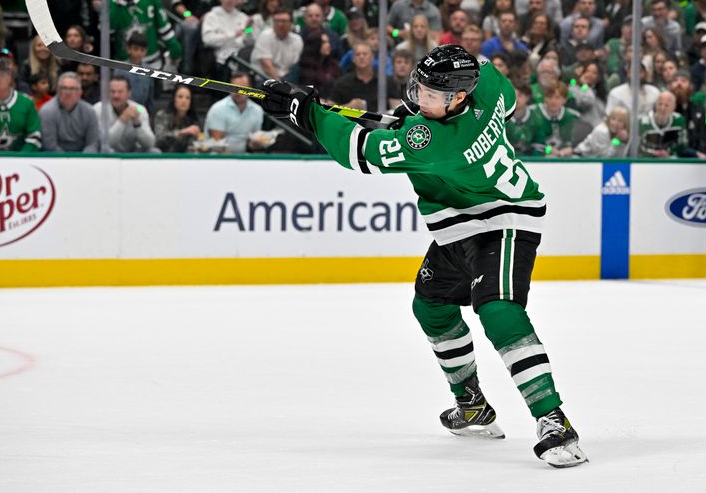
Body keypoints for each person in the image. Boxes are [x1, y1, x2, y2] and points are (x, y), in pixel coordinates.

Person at [259, 44, 587, 468]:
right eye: (420, 87)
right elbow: (503, 98)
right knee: (430, 305)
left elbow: (359, 152)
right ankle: (471, 403)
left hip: (504, 218)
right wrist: (412, 115)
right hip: (460, 223)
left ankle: (554, 420)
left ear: (458, 97)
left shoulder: (435, 140)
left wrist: (309, 114)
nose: (419, 97)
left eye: (432, 95)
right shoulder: (486, 85)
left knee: (499, 310)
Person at [110, 0, 182, 70]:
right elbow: (108, 30)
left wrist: (175, 49)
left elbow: (163, 25)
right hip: (124, 62)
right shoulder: (111, 1)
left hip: (151, 60)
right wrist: (117, 3)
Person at [330, 41, 401, 112]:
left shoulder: (387, 82)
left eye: (365, 54)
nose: (361, 57)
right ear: (353, 59)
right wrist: (349, 107)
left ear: (372, 57)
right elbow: (330, 110)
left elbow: (396, 109)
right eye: (358, 54)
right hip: (351, 121)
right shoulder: (342, 83)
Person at [203, 72, 264, 154]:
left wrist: (257, 143)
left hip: (243, 157)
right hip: (218, 157)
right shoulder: (218, 108)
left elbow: (253, 141)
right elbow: (217, 143)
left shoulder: (258, 110)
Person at [39, 71, 100, 152]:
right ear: (57, 91)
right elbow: (50, 146)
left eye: (72, 89)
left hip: (83, 159)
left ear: (80, 92)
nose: (68, 93)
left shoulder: (90, 112)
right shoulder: (47, 111)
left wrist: (83, 161)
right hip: (55, 160)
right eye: (64, 88)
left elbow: (92, 144)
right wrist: (68, 162)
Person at [93, 75, 156, 153]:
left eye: (120, 92)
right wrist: (122, 120)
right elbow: (105, 143)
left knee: (154, 151)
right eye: (112, 91)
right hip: (109, 154)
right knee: (107, 151)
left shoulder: (140, 109)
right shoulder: (99, 108)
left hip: (133, 153)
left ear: (129, 93)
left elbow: (150, 143)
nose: (116, 96)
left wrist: (137, 123)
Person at [250, 8, 303, 82]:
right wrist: (280, 85)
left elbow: (293, 65)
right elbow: (267, 66)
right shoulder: (263, 34)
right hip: (265, 78)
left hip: (286, 78)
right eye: (277, 21)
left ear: (291, 23)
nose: (280, 24)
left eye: (284, 21)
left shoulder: (297, 40)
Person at [637, 90, 687, 158]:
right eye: (660, 104)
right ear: (655, 105)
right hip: (648, 163)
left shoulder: (679, 120)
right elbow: (638, 147)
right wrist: (652, 153)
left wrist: (669, 154)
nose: (662, 108)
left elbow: (682, 144)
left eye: (666, 105)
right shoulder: (643, 122)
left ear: (674, 107)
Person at [153, 85, 202, 153]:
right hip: (162, 155)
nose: (184, 101)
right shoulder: (162, 115)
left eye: (187, 98)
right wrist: (182, 132)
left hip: (184, 159)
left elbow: (192, 146)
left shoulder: (193, 120)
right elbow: (159, 139)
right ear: (174, 99)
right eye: (180, 97)